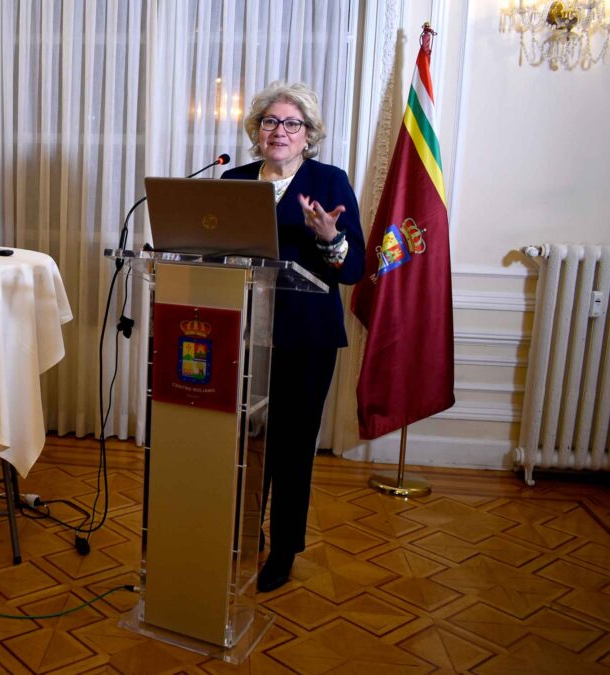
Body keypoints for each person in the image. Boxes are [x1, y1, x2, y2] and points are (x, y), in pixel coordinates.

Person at [221, 81, 366, 593]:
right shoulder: (234, 180)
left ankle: (282, 549)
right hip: (243, 335)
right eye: (269, 122)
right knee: (242, 440)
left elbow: (353, 271)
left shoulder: (329, 182)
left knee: (291, 447)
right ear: (256, 132)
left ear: (308, 135)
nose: (279, 131)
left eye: (291, 124)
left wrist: (330, 238)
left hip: (306, 338)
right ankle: (241, 533)